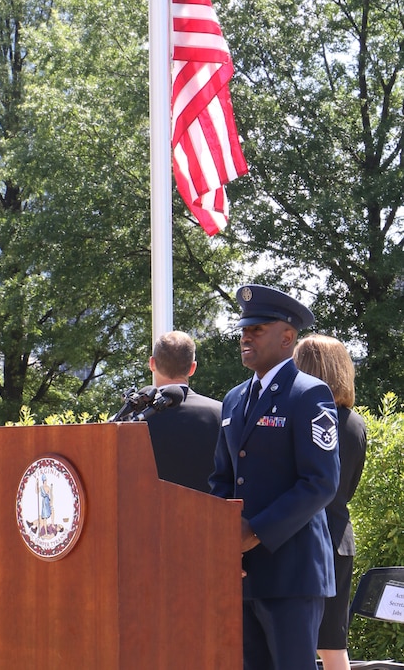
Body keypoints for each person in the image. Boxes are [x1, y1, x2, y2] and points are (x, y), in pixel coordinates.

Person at [209, 284, 340, 670]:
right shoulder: (233, 399)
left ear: (287, 337)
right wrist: (222, 541)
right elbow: (222, 479)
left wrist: (256, 531)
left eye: (258, 329)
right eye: (244, 329)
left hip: (292, 574)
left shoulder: (309, 394)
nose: (245, 336)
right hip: (244, 576)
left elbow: (321, 482)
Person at [294, 334, 367, 670]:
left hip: (297, 538)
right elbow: (348, 486)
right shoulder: (354, 424)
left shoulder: (297, 417)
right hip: (338, 539)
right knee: (334, 647)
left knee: (290, 644)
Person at [145, 330, 222, 493]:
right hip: (210, 515)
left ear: (152, 363)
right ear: (192, 368)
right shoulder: (221, 413)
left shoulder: (134, 418)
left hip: (148, 515)